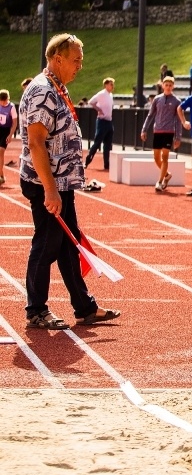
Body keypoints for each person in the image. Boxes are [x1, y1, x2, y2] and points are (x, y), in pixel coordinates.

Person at [18, 33, 120, 329]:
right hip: (46, 184)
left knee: (68, 244)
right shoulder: (42, 91)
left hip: (61, 183)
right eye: (76, 61)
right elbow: (37, 143)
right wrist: (50, 190)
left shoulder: (56, 87)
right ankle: (36, 309)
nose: (80, 67)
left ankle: (84, 307)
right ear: (57, 59)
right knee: (47, 244)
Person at [140, 76, 182, 192]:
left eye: (170, 85)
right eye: (166, 85)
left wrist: (178, 137)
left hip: (169, 132)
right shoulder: (157, 99)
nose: (168, 87)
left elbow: (178, 120)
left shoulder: (177, 101)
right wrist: (144, 129)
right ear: (163, 86)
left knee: (165, 157)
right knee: (156, 158)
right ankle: (167, 175)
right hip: (157, 131)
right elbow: (150, 115)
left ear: (173, 86)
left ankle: (159, 181)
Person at [85, 77, 115, 170]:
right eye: (111, 84)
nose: (112, 86)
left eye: (113, 84)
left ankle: (106, 164)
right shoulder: (101, 94)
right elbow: (91, 101)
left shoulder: (111, 95)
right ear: (106, 85)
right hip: (102, 121)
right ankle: (87, 160)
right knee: (97, 142)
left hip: (109, 121)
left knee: (108, 144)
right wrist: (99, 109)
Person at [0, 90, 18, 185]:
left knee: (1, 151)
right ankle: (1, 174)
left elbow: (15, 122)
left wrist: (10, 135)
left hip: (6, 131)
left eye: (4, 101)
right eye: (1, 101)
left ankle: (1, 175)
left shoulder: (11, 107)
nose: (3, 103)